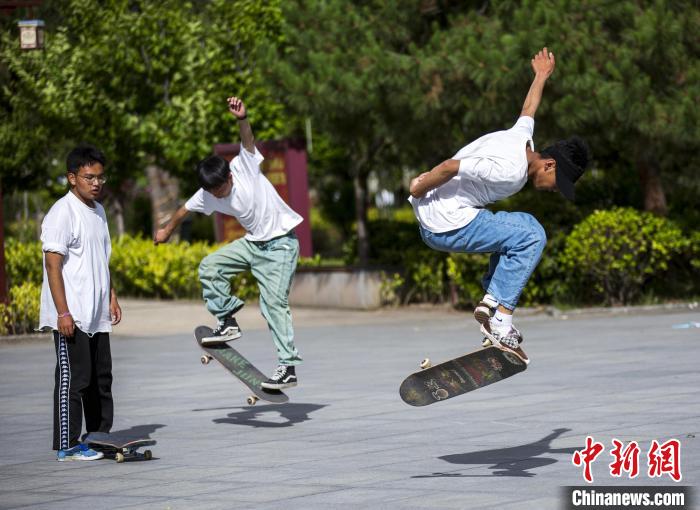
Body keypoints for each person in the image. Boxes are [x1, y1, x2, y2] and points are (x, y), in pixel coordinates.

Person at [408, 48, 590, 363]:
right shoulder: (510, 171)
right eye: (557, 183)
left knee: (518, 229)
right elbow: (451, 166)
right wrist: (418, 187)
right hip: (447, 224)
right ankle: (500, 319)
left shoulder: (522, 138)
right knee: (531, 235)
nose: (553, 190)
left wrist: (541, 75)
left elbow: (529, 108)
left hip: (440, 220)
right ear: (549, 165)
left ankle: (491, 304)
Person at [154, 96, 303, 390]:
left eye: (222, 188)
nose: (219, 195)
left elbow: (247, 141)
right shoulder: (208, 193)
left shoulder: (244, 166)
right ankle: (227, 321)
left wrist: (242, 118)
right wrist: (167, 230)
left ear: (230, 176)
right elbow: (184, 209)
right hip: (253, 244)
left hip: (281, 244)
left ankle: (287, 367)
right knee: (209, 267)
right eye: (213, 192)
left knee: (272, 303)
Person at [39, 144, 122, 461]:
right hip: (71, 315)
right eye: (90, 177)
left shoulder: (98, 211)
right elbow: (53, 265)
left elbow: (102, 259)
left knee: (101, 379)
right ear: (72, 178)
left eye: (100, 177)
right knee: (75, 379)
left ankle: (99, 436)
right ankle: (68, 444)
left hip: (96, 313)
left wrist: (111, 296)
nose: (97, 183)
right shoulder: (62, 212)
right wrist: (63, 312)